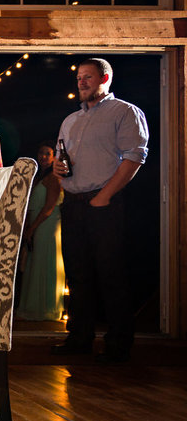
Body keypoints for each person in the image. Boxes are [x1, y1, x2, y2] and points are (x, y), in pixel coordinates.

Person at [50, 58, 149, 364]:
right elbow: (59, 160)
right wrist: (57, 168)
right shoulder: (70, 120)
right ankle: (79, 339)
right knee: (78, 277)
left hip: (103, 204)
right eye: (79, 77)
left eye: (87, 77)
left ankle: (119, 344)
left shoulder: (125, 112)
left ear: (104, 77)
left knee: (111, 274)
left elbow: (135, 157)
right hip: (74, 204)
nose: (81, 82)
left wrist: (103, 197)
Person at [16, 142, 65, 321]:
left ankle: (46, 309)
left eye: (47, 153)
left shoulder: (54, 177)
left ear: (54, 157)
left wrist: (33, 228)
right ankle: (33, 308)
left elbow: (49, 208)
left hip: (47, 225)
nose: (43, 156)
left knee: (44, 262)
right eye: (41, 153)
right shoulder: (38, 177)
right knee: (34, 264)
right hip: (36, 223)